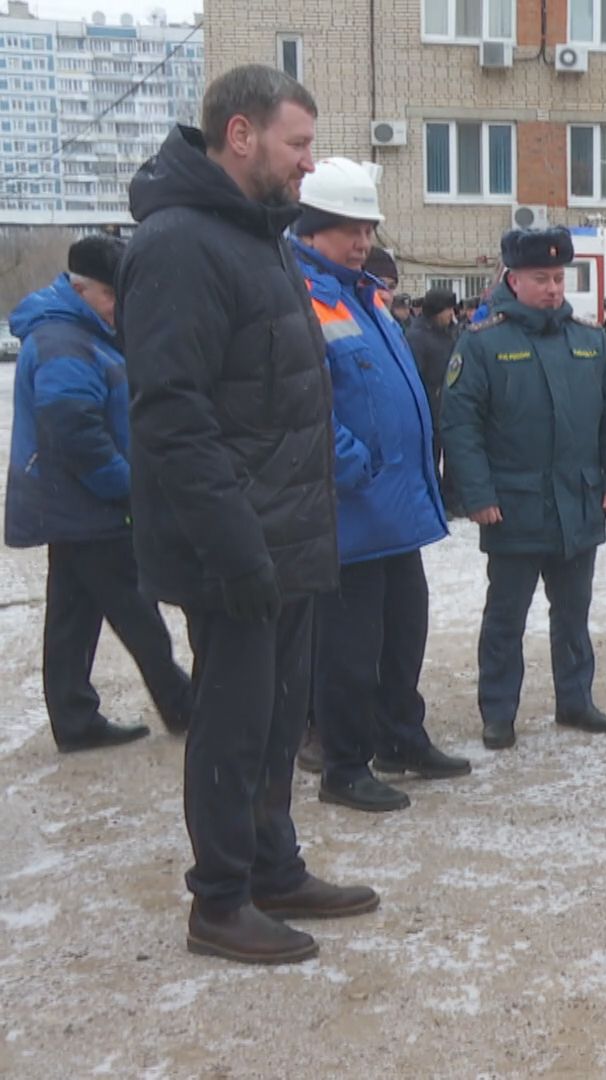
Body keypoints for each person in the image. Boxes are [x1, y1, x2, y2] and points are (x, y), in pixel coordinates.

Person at [121, 64, 377, 965]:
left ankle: (273, 865)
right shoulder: (181, 244)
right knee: (231, 725)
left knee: (275, 720)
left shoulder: (256, 236)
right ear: (241, 135)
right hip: (235, 547)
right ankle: (219, 900)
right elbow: (173, 419)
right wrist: (236, 551)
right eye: (298, 145)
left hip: (289, 536)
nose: (310, 165)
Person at [291, 158, 464, 813]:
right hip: (350, 511)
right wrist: (352, 464)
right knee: (348, 649)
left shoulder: (363, 296)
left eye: (366, 227)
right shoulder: (300, 297)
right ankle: (343, 763)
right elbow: (303, 405)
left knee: (403, 634)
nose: (361, 241)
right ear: (310, 230)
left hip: (395, 507)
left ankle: (400, 737)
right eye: (346, 229)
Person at [440, 226, 606, 750]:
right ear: (512, 278)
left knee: (573, 614)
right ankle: (498, 712)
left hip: (577, 502)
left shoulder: (589, 340)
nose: (553, 288)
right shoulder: (483, 344)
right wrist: (478, 494)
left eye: (559, 277)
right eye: (540, 278)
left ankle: (575, 699)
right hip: (513, 506)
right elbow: (461, 425)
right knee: (506, 617)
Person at [5, 235, 193, 752]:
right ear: (80, 287)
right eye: (113, 295)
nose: (120, 307)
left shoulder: (80, 330)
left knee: (72, 615)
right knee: (137, 610)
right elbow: (74, 430)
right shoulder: (67, 341)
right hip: (88, 505)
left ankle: (74, 718)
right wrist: (126, 486)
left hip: (69, 506)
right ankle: (181, 704)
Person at [406, 286, 461, 509]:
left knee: (453, 458)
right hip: (429, 407)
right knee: (431, 457)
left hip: (448, 407)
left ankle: (451, 499)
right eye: (448, 310)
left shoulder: (448, 333)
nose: (452, 316)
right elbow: (415, 374)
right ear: (436, 311)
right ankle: (434, 500)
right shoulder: (417, 337)